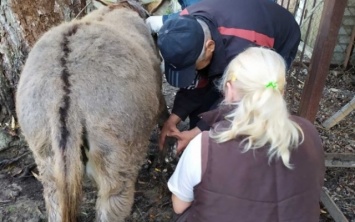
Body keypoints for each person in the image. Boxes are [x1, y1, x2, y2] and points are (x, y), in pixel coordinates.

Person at [167, 47, 325, 222]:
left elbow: (179, 205)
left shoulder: (204, 146)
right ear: (281, 92)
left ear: (230, 89)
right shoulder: (309, 133)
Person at [146, 0, 301, 154]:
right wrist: (173, 119)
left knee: (251, 100)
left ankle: (245, 150)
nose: (192, 71)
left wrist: (197, 132)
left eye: (192, 66)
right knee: (208, 88)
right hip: (237, 25)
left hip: (279, 35)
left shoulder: (243, 51)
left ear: (210, 47)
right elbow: (196, 82)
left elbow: (237, 98)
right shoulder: (182, 24)